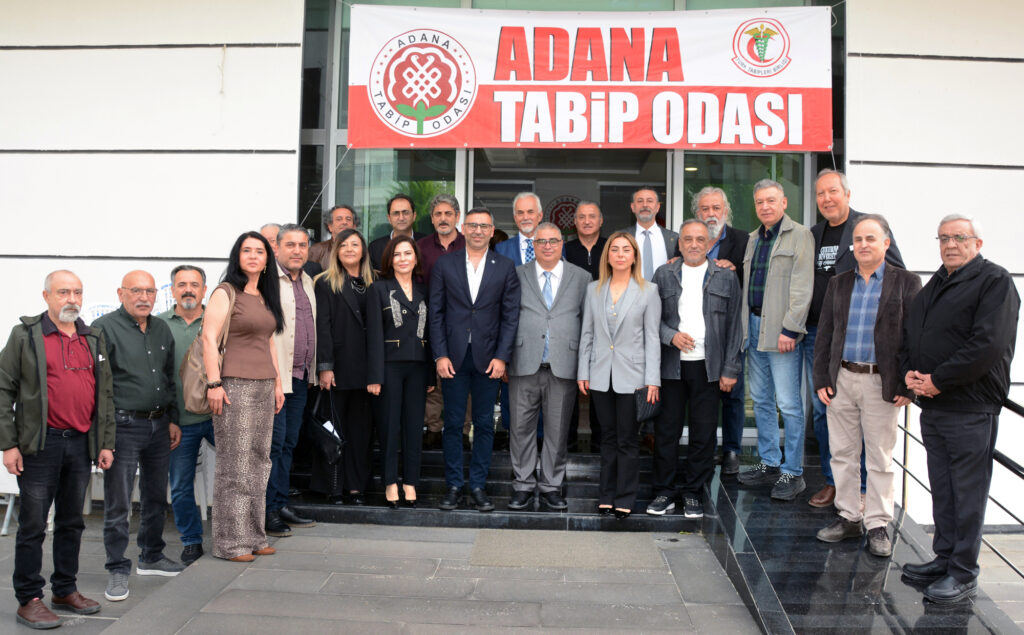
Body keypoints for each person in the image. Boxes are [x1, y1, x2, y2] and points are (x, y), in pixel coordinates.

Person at [900, 214, 1019, 603]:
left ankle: (963, 572)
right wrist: (909, 373)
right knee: (943, 489)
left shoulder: (995, 282)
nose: (950, 244)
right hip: (934, 406)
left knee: (967, 494)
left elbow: (987, 345)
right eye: (944, 238)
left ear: (977, 244)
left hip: (970, 408)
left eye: (959, 237)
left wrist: (939, 379)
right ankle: (945, 558)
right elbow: (912, 336)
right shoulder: (936, 284)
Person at [1, 270, 115, 629]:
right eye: (63, 292)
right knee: (33, 524)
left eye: (77, 292)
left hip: (80, 443)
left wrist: (105, 441)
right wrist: (8, 444)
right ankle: (29, 598)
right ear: (46, 296)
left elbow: (105, 393)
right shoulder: (25, 335)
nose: (72, 299)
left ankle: (65, 589)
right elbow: (3, 389)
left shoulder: (92, 337)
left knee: (72, 522)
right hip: (40, 444)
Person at [812, 214, 921, 557]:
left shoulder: (906, 282)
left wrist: (908, 384)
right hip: (842, 379)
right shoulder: (839, 283)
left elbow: (915, 337)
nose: (863, 245)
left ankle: (877, 524)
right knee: (842, 453)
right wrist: (821, 378)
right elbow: (825, 333)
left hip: (881, 383)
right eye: (858, 239)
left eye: (870, 238)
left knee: (879, 457)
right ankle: (848, 516)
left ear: (886, 243)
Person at [805, 170, 905, 508]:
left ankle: (863, 489)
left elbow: (898, 280)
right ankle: (834, 483)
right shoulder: (814, 233)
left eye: (833, 191)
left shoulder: (868, 228)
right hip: (823, 337)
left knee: (869, 426)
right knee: (825, 412)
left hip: (865, 344)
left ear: (847, 194)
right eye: (821, 193)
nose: (827, 198)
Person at [92, 270, 184, 601]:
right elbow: (98, 386)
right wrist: (104, 435)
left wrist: (173, 418)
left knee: (156, 495)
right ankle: (117, 568)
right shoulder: (103, 329)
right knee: (118, 502)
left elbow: (169, 377)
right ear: (120, 294)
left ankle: (151, 555)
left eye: (149, 291)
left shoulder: (161, 328)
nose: (144, 297)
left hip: (159, 425)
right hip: (123, 426)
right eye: (136, 291)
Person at [649, 220, 743, 519]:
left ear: (708, 243)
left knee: (703, 433)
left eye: (700, 239)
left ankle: (693, 492)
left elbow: (734, 326)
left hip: (709, 368)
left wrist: (730, 368)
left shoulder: (725, 276)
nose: (693, 244)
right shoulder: (663, 274)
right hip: (671, 367)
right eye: (687, 239)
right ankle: (664, 491)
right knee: (667, 432)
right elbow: (650, 319)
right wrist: (671, 336)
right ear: (679, 244)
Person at [201, 231, 286, 562]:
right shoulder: (226, 292)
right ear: (238, 256)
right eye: (247, 250)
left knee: (259, 462)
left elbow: (269, 341)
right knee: (235, 465)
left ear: (267, 260)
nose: (253, 256)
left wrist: (277, 383)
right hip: (233, 385)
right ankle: (230, 543)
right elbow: (209, 338)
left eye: (259, 251)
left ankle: (254, 536)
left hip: (264, 385)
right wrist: (214, 383)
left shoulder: (265, 295)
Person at [430, 207, 520, 512]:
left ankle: (478, 485)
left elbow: (510, 316)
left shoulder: (505, 266)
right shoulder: (445, 264)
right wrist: (440, 354)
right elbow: (436, 313)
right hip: (453, 358)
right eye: (472, 225)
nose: (478, 230)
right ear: (463, 228)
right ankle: (454, 485)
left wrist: (502, 357)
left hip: (489, 359)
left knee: (483, 424)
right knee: (453, 424)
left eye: (484, 226)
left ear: (492, 231)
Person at [736, 179, 814, 502]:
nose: (765, 206)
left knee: (789, 404)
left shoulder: (800, 236)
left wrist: (791, 329)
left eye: (771, 200)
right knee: (762, 400)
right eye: (759, 202)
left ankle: (792, 472)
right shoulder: (753, 239)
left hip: (781, 332)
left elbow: (803, 286)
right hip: (754, 328)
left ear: (784, 203)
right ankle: (770, 462)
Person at [507, 223, 590, 512]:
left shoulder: (582, 277)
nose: (547, 246)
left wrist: (585, 367)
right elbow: (507, 317)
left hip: (564, 364)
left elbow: (587, 323)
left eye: (553, 241)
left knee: (557, 431)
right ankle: (522, 485)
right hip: (523, 362)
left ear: (561, 243)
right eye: (541, 241)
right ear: (533, 245)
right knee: (520, 429)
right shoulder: (517, 274)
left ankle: (551, 487)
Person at [577, 232, 660, 519]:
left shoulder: (648, 291)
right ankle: (606, 495)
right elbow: (587, 333)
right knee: (607, 438)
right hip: (600, 374)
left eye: (626, 249)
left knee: (627, 439)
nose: (621, 254)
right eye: (615, 249)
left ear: (634, 256)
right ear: (608, 256)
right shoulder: (593, 289)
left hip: (633, 376)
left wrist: (653, 380)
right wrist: (583, 371)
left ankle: (625, 497)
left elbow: (652, 338)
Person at [366, 236, 432, 508]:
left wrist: (430, 375)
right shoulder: (378, 289)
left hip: (418, 366)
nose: (403, 259)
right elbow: (373, 335)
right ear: (389, 260)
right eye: (397, 254)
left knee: (414, 428)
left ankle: (411, 482)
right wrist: (374, 376)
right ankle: (390, 482)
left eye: (407, 253)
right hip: (389, 367)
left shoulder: (425, 290)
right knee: (389, 427)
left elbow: (430, 334)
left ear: (416, 258)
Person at [313, 228, 375, 505]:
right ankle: (334, 487)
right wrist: (325, 366)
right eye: (344, 245)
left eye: (355, 244)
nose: (349, 249)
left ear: (363, 251)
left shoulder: (376, 282)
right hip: (338, 368)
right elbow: (322, 327)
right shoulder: (325, 283)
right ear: (336, 251)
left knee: (361, 432)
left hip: (368, 371)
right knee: (334, 431)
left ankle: (356, 487)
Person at [158, 265, 215, 566]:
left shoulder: (219, 320)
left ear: (204, 290)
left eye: (194, 284)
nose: (188, 290)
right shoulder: (158, 325)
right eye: (182, 284)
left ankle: (239, 533)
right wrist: (167, 418)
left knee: (240, 473)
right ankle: (191, 541)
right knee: (180, 485)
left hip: (219, 415)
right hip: (179, 421)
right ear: (172, 290)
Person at [265, 224, 318, 537]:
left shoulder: (308, 280)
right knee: (273, 446)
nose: (297, 250)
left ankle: (280, 503)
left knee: (288, 444)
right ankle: (267, 511)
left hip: (300, 377)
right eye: (290, 245)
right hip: (275, 378)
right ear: (277, 248)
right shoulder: (267, 281)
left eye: (302, 245)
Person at [692, 187, 748, 476]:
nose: (710, 213)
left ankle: (731, 450)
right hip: (698, 332)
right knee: (704, 394)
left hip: (729, 329)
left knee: (732, 392)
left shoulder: (743, 240)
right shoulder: (690, 239)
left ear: (726, 211)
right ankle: (707, 447)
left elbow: (751, 278)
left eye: (716, 208)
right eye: (705, 208)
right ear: (697, 212)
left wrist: (734, 269)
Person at [494, 191, 545, 447]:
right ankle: (515, 447)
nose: (526, 217)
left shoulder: (554, 246)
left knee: (546, 399)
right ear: (514, 217)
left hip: (546, 337)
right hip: (513, 336)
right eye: (520, 212)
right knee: (514, 399)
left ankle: (542, 445)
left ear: (540, 215)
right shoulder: (501, 250)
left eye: (530, 212)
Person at [417, 193, 466, 450]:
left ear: (457, 216)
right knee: (434, 378)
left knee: (463, 375)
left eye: (448, 213)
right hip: (429, 320)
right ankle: (433, 428)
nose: (443, 218)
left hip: (465, 322)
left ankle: (464, 429)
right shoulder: (421, 247)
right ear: (432, 218)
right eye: (438, 214)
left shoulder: (470, 244)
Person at [616, 188, 678, 281]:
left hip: (664, 290)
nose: (645, 205)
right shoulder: (620, 237)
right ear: (633, 207)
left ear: (657, 207)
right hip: (630, 289)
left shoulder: (674, 238)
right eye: (640, 201)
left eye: (650, 201)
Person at [369, 194, 427, 271]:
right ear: (389, 218)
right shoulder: (375, 248)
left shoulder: (427, 243)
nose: (401, 218)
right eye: (396, 213)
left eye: (405, 212)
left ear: (414, 216)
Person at [308, 205, 358, 275]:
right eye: (339, 219)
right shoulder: (316, 250)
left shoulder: (360, 250)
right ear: (330, 227)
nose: (344, 222)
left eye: (348, 219)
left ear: (354, 227)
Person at [564, 200, 607, 280]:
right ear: (575, 221)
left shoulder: (611, 247)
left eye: (592, 216)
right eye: (581, 217)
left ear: (601, 221)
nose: (587, 222)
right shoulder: (564, 250)